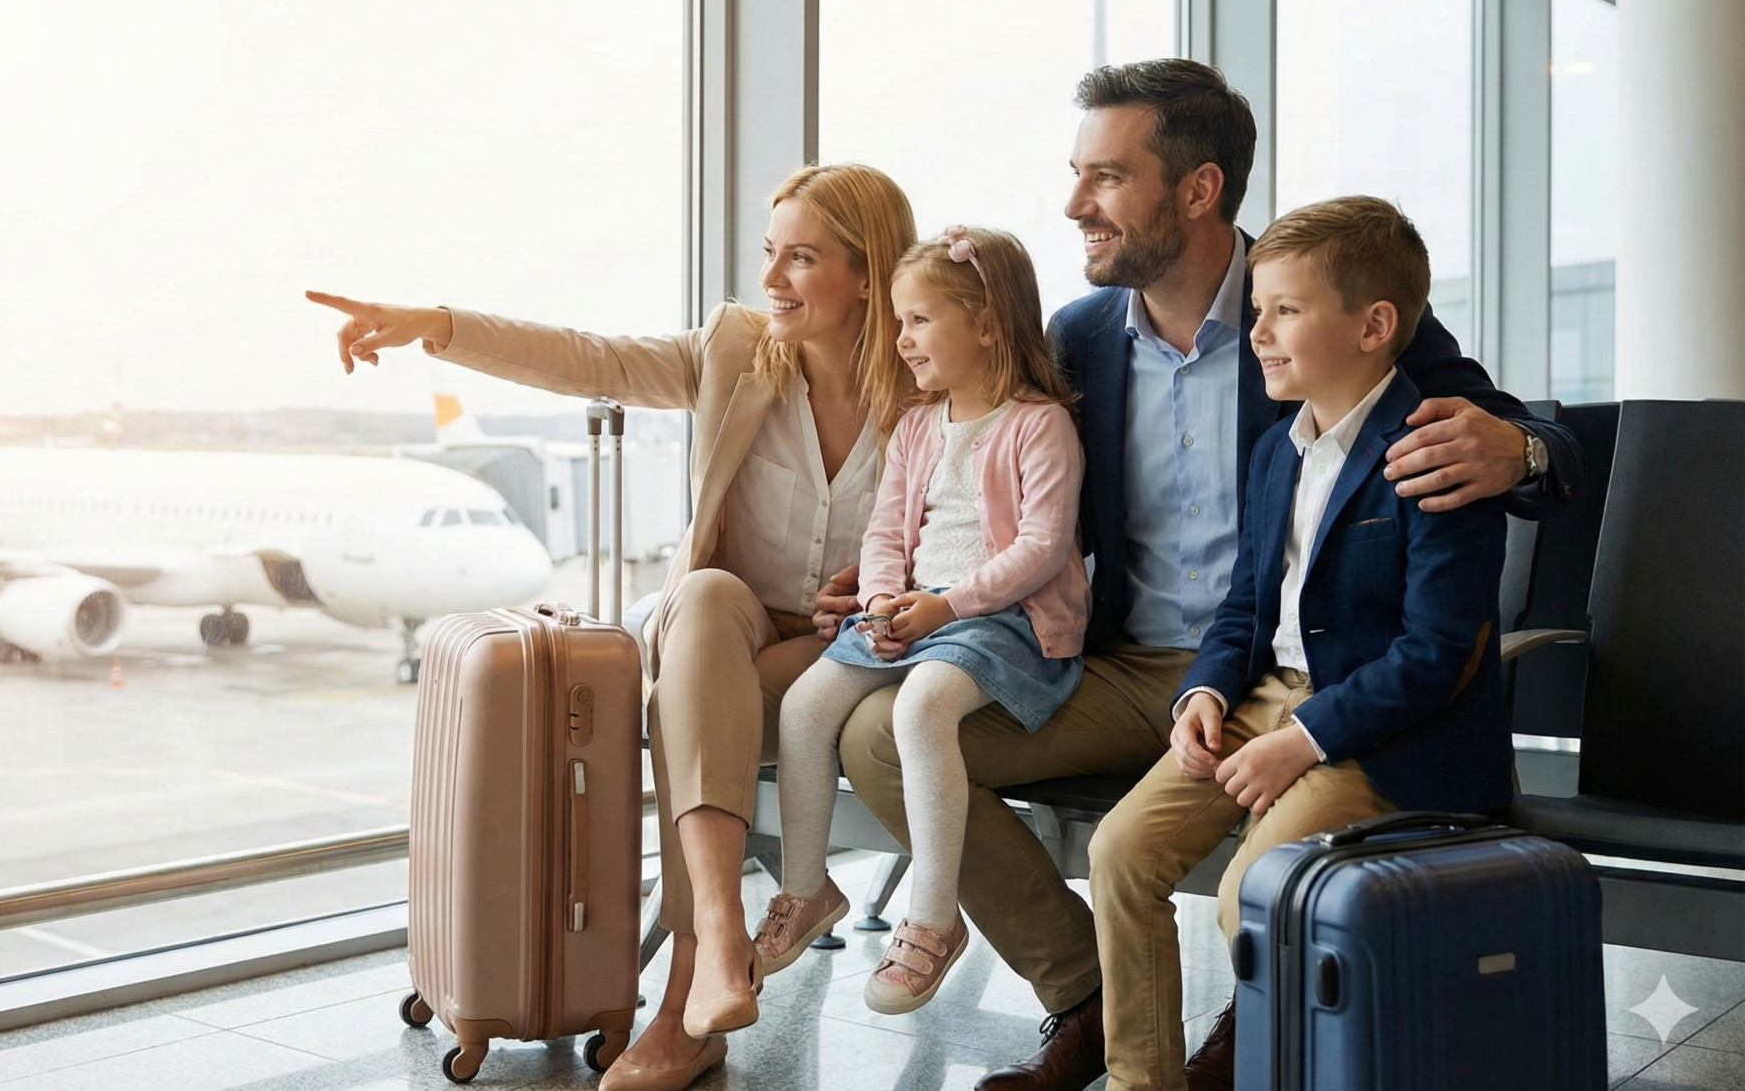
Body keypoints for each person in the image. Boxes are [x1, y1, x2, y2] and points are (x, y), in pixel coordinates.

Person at [826, 60, 1580, 1091]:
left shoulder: (1318, 310)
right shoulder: (1082, 336)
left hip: (1303, 676)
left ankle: (1243, 1034)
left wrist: (1523, 453)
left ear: (1196, 189)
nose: (1071, 204)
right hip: (1138, 666)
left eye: (1102, 176)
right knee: (879, 733)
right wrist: (894, 585)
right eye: (1073, 174)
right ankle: (1086, 995)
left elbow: (1515, 435)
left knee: (1242, 871)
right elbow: (1006, 488)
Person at [307, 163, 917, 1091]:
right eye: (769, 253)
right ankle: (718, 935)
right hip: (741, 630)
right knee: (704, 598)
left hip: (859, 646)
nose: (773, 279)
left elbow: (973, 512)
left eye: (802, 258)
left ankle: (682, 1007)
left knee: (683, 706)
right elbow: (592, 357)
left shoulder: (924, 378)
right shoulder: (735, 349)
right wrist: (437, 324)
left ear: (869, 275)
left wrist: (886, 590)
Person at [1089, 195, 1513, 1091]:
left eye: (1285, 311)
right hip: (1260, 702)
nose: (1258, 335)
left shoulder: (1434, 449)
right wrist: (1202, 693)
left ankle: (1275, 1071)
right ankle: (1141, 1078)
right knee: (1119, 854)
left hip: (1384, 732)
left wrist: (1304, 738)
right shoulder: (1277, 449)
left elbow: (1436, 652)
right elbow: (1244, 606)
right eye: (1256, 312)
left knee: (1255, 894)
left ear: (1375, 325)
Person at [754, 227, 1088, 1017]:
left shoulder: (1040, 424)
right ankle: (806, 889)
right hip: (910, 612)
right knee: (805, 706)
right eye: (899, 322)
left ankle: (934, 914)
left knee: (921, 706)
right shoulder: (915, 426)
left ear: (988, 325)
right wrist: (878, 601)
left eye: (919, 321)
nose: (901, 340)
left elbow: (1041, 547)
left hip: (999, 619)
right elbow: (885, 532)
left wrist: (947, 603)